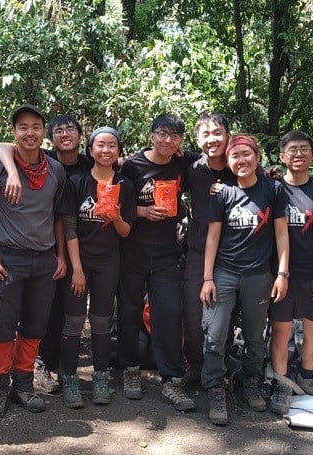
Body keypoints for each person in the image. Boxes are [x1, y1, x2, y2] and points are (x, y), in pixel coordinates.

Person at [0, 104, 66, 419]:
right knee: (1, 325)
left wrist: (61, 256)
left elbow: (59, 216)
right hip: (9, 259)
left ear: (44, 132)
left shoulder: (55, 170)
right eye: (23, 127)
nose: (30, 133)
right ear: (14, 132)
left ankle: (23, 385)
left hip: (44, 261)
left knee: (34, 325)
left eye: (36, 126)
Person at [0, 114, 91, 394]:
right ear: (51, 137)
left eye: (70, 129)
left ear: (80, 135)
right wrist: (12, 172)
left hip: (83, 250)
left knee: (66, 310)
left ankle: (61, 365)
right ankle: (40, 366)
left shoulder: (88, 163)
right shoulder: (44, 160)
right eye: (58, 130)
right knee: (44, 312)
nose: (64, 134)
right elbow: (3, 146)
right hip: (46, 248)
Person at [199, 135, 289, 424]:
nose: (241, 160)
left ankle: (251, 383)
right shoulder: (223, 194)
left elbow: (281, 235)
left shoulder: (273, 190)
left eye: (246, 154)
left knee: (254, 337)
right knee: (215, 336)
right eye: (234, 155)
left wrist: (282, 274)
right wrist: (207, 278)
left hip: (259, 275)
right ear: (228, 161)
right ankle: (216, 389)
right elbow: (212, 237)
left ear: (257, 157)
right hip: (224, 273)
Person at [117, 113, 196, 411]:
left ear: (180, 142)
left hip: (167, 252)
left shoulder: (183, 163)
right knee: (129, 310)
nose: (167, 140)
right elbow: (113, 198)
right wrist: (141, 211)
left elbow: (215, 159)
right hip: (133, 249)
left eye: (174, 136)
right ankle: (130, 370)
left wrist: (269, 174)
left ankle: (171, 379)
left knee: (169, 312)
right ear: (151, 135)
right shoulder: (131, 165)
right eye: (162, 133)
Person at [59, 126, 136, 408]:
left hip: (109, 261)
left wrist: (115, 216)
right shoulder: (77, 182)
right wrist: (76, 269)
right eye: (100, 145)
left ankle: (100, 376)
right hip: (79, 260)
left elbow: (126, 231)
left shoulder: (125, 185)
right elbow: (69, 228)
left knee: (102, 320)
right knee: (74, 320)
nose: (106, 150)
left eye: (112, 145)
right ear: (90, 149)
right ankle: (69, 378)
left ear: (118, 151)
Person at [269, 130, 313, 415]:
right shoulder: (272, 189)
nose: (298, 154)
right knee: (281, 332)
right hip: (281, 274)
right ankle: (282, 384)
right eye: (292, 150)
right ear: (282, 156)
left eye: (304, 149)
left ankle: (308, 377)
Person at [180, 113, 235, 388]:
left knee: (225, 317)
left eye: (217, 133)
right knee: (192, 314)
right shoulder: (193, 168)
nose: (212, 139)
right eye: (205, 134)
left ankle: (223, 370)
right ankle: (196, 367)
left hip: (234, 252)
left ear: (227, 135)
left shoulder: (241, 165)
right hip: (198, 249)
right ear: (197, 139)